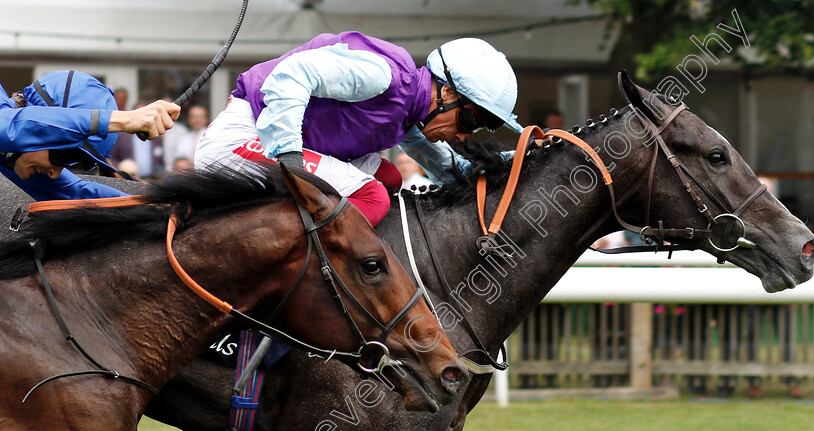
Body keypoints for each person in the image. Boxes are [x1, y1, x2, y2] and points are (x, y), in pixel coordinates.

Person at [195, 31, 522, 226]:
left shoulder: (408, 108)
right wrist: (290, 156)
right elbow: (292, 75)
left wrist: (523, 159)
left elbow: (451, 170)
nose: (464, 136)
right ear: (447, 93)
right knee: (372, 196)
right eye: (469, 121)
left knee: (390, 177)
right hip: (240, 140)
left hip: (270, 145)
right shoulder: (385, 77)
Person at [0, 70, 180, 200]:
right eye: (61, 155)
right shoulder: (11, 128)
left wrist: (160, 207)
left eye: (71, 161)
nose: (54, 173)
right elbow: (8, 125)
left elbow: (79, 192)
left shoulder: (15, 154)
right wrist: (123, 119)